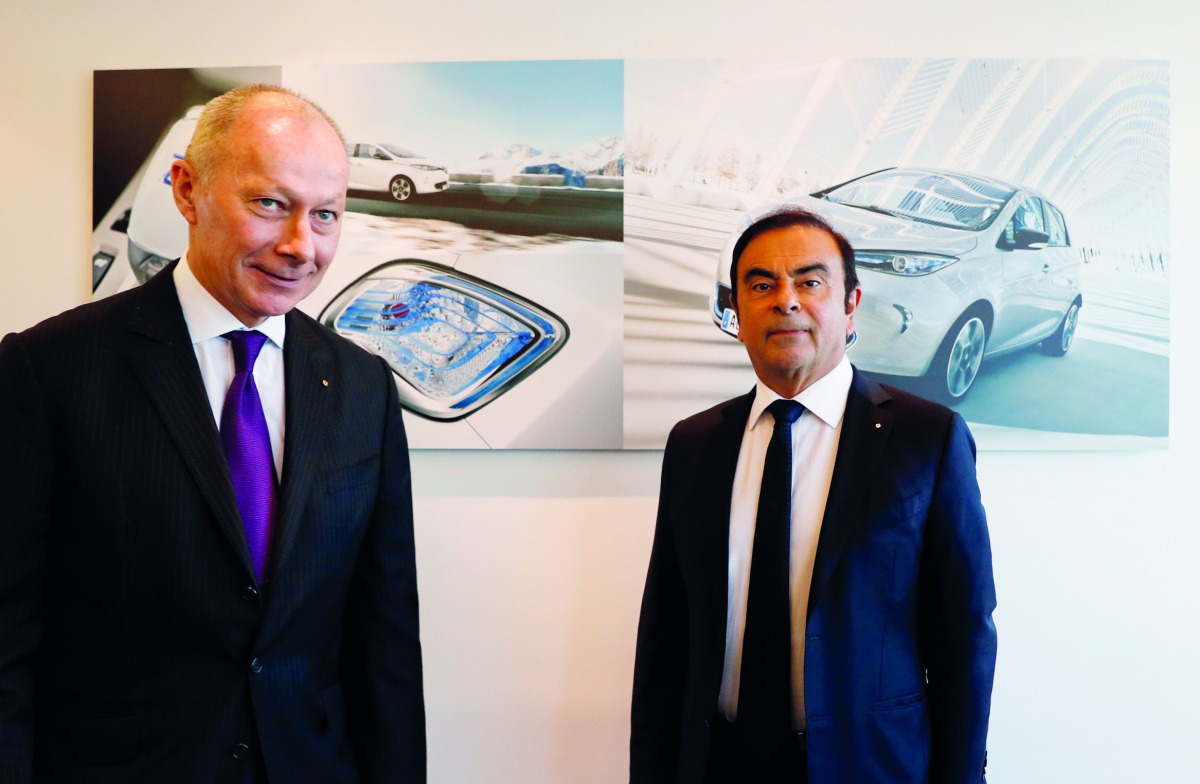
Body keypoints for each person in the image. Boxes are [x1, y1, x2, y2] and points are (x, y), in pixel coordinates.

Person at [0, 85, 425, 783]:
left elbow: (384, 647)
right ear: (187, 189)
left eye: (326, 216)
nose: (300, 247)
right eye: (270, 204)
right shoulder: (50, 370)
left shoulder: (363, 389)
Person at [630, 204, 996, 783]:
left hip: (868, 765)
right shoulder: (695, 444)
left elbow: (964, 635)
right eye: (760, 284)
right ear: (735, 312)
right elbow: (664, 635)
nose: (787, 300)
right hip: (716, 766)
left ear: (851, 304)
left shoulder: (927, 439)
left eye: (810, 280)